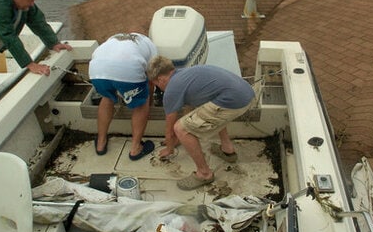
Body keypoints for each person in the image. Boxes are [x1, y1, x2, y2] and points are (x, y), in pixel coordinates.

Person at [147, 56, 256, 190]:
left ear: (160, 79)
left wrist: (169, 148)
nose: (159, 88)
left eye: (156, 84)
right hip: (247, 93)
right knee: (209, 109)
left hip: (234, 102)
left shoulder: (172, 89)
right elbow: (192, 111)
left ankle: (204, 173)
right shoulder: (187, 74)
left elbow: (170, 129)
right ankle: (228, 151)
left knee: (181, 129)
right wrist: (176, 140)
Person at [89, 33, 157, 160]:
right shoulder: (151, 46)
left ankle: (100, 143)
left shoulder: (113, 38)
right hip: (128, 69)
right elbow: (151, 80)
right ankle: (136, 148)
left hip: (97, 71)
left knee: (107, 97)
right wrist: (149, 101)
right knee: (142, 103)